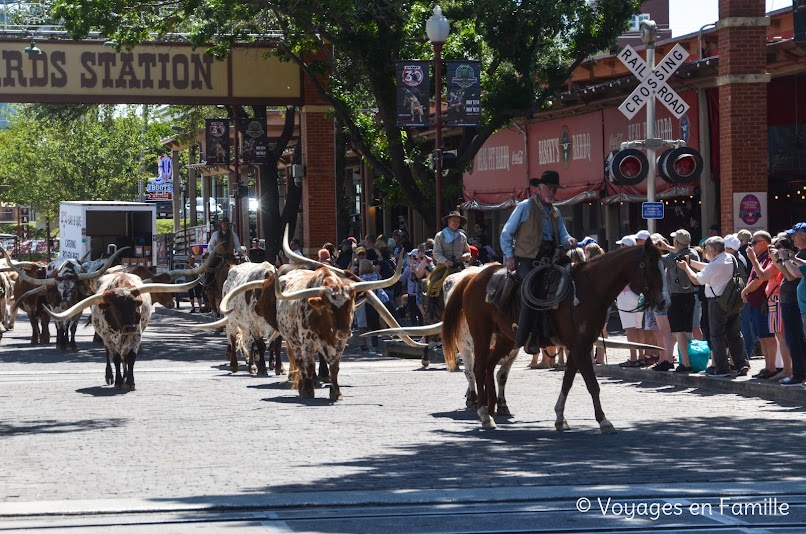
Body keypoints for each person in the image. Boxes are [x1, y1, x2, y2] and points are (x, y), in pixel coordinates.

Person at [500, 170, 577, 354]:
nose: (552, 192)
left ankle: (558, 329)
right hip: (527, 260)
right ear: (539, 188)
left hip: (550, 259)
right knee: (531, 291)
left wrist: (570, 240)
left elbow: (563, 234)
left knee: (570, 282)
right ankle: (526, 336)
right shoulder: (525, 207)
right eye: (548, 188)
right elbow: (506, 233)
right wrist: (509, 256)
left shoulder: (556, 212)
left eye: (554, 189)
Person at [676, 236, 750, 378]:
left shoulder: (716, 264)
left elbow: (697, 280)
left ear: (713, 250)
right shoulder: (729, 258)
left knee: (717, 335)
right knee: (734, 335)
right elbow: (709, 268)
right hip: (732, 302)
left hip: (717, 303)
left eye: (707, 249)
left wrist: (686, 268)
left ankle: (721, 368)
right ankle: (741, 364)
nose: (705, 252)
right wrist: (691, 262)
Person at [655, 229, 700, 373]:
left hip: (677, 297)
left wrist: (657, 248)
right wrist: (667, 247)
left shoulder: (672, 258)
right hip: (690, 296)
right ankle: (687, 361)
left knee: (679, 332)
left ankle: (685, 363)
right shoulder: (693, 254)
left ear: (676, 242)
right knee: (687, 331)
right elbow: (678, 251)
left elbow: (660, 261)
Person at [742, 231, 777, 379]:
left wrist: (744, 291)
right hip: (757, 303)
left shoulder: (768, 257)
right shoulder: (760, 257)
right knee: (762, 336)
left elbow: (759, 280)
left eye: (754, 242)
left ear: (765, 242)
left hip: (765, 302)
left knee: (768, 336)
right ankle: (767, 366)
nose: (752, 245)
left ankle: (772, 367)